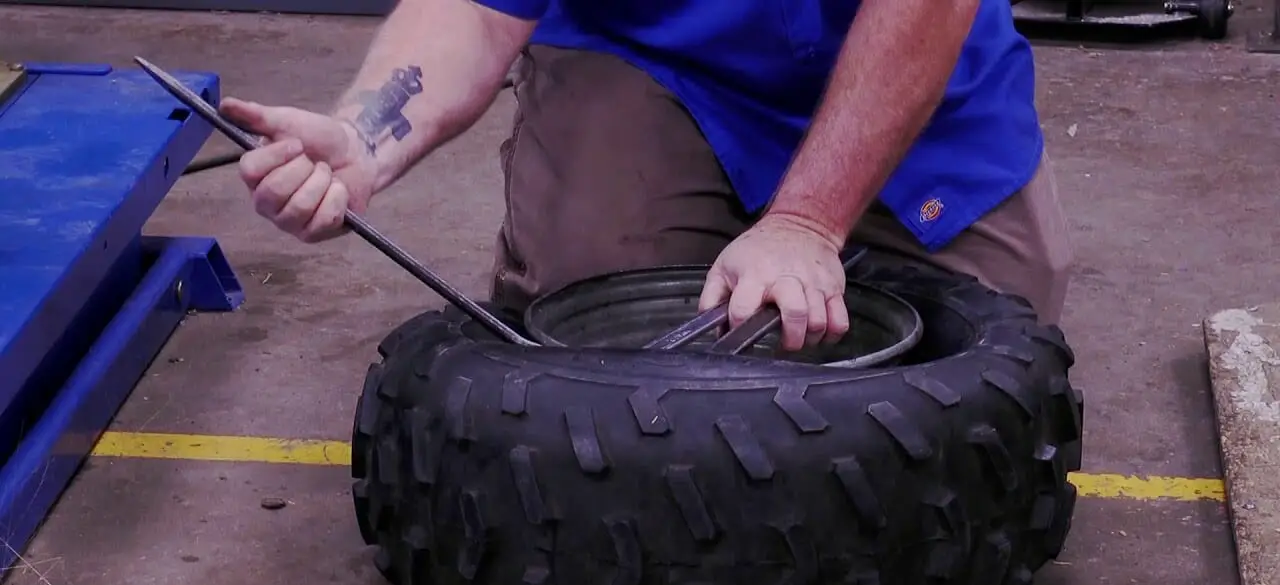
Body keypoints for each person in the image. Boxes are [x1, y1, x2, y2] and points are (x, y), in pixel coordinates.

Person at [223, 0, 1073, 352]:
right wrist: (362, 137)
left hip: (897, 55)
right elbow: (475, 13)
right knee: (590, 325)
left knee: (987, 339)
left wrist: (807, 222)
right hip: (654, 55)